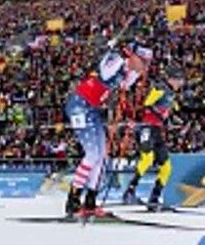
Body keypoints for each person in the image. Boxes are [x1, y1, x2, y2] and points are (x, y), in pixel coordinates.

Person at [64, 40, 152, 218]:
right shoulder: (116, 60)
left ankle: (91, 200)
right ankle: (72, 200)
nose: (145, 66)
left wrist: (135, 74)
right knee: (92, 154)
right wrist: (118, 55)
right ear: (133, 56)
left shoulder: (130, 70)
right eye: (142, 61)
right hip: (79, 105)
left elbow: (125, 88)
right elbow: (105, 71)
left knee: (103, 156)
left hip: (93, 109)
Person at [121, 67, 183, 211]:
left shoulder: (171, 94)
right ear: (171, 79)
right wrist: (160, 116)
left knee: (166, 167)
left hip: (157, 130)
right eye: (179, 80)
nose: (180, 84)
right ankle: (129, 192)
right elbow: (147, 104)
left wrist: (172, 120)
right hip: (146, 127)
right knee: (147, 159)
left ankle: (154, 198)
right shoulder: (161, 88)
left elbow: (169, 111)